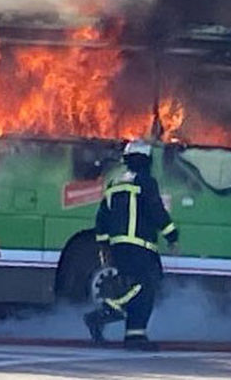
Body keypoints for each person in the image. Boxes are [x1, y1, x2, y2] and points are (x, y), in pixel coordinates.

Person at [83, 140, 180, 346]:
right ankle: (105, 312)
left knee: (140, 288)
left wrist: (104, 246)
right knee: (145, 286)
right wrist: (172, 235)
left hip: (119, 246)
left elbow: (102, 217)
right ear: (146, 160)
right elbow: (156, 210)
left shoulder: (114, 183)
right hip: (140, 245)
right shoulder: (146, 181)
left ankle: (135, 336)